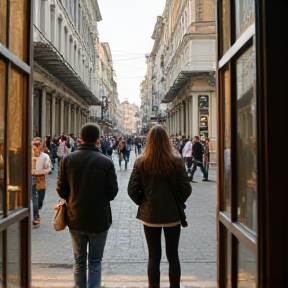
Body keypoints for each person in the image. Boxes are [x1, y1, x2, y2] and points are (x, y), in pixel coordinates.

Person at [127, 125, 192, 288]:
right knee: (173, 255)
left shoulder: (141, 161)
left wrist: (144, 202)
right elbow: (186, 188)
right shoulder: (176, 161)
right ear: (166, 141)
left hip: (150, 216)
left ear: (149, 141)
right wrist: (176, 202)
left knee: (153, 256)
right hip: (172, 216)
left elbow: (132, 190)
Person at [56, 123, 119, 288]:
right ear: (98, 140)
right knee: (96, 260)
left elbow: (61, 191)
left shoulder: (67, 160)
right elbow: (112, 192)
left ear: (80, 138)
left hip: (75, 217)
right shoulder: (106, 162)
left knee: (79, 260)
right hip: (99, 219)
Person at [31, 137, 52, 228]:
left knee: (40, 200)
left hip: (41, 179)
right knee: (34, 199)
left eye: (39, 144)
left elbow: (48, 169)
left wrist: (40, 172)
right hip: (31, 178)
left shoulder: (45, 156)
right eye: (35, 144)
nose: (37, 146)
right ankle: (36, 218)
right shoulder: (29, 156)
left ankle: (37, 211)